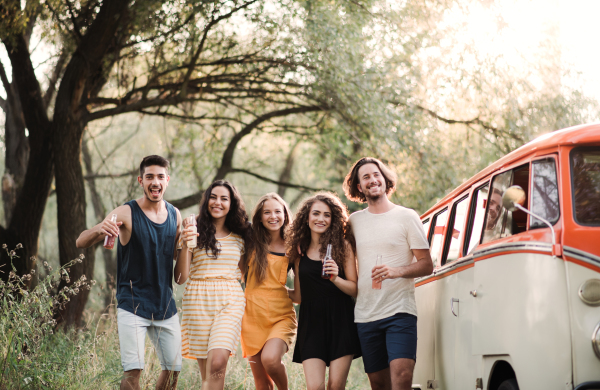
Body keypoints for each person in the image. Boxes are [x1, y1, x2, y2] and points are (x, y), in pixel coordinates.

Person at [76, 155, 182, 390]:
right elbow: (81, 241)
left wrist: (187, 244)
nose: (155, 182)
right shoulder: (126, 212)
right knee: (133, 370)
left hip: (165, 304)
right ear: (140, 181)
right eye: (150, 177)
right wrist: (98, 229)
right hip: (132, 303)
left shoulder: (175, 215)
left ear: (168, 180)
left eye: (160, 177)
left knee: (173, 369)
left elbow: (176, 259)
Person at [342, 157, 434, 390]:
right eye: (366, 177)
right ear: (359, 187)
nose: (373, 180)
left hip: (400, 312)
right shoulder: (354, 221)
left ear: (385, 180)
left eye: (376, 174)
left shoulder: (407, 216)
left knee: (402, 377)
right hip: (366, 315)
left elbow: (426, 264)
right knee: (379, 384)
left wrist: (396, 271)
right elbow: (328, 238)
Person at [175, 180, 251, 390]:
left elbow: (247, 276)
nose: (218, 202)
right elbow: (181, 278)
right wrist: (184, 244)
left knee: (218, 363)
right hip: (198, 301)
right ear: (206, 200)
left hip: (230, 300)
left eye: (224, 199)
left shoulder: (241, 236)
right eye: (213, 197)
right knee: (208, 373)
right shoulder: (193, 230)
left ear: (231, 204)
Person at [286, 192, 361, 390]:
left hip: (341, 321)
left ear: (334, 219)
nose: (321, 219)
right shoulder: (298, 252)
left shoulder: (343, 247)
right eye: (316, 213)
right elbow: (300, 297)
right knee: (315, 387)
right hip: (311, 324)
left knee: (335, 386)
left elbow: (355, 289)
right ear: (307, 217)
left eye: (327, 215)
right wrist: (279, 291)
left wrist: (336, 278)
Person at [240, 193, 297, 390]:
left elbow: (298, 295)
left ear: (285, 215)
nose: (273, 216)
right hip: (251, 317)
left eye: (277, 211)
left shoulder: (293, 247)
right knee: (262, 383)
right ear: (260, 217)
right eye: (267, 212)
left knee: (271, 360)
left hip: (281, 316)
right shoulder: (250, 241)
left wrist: (279, 292)